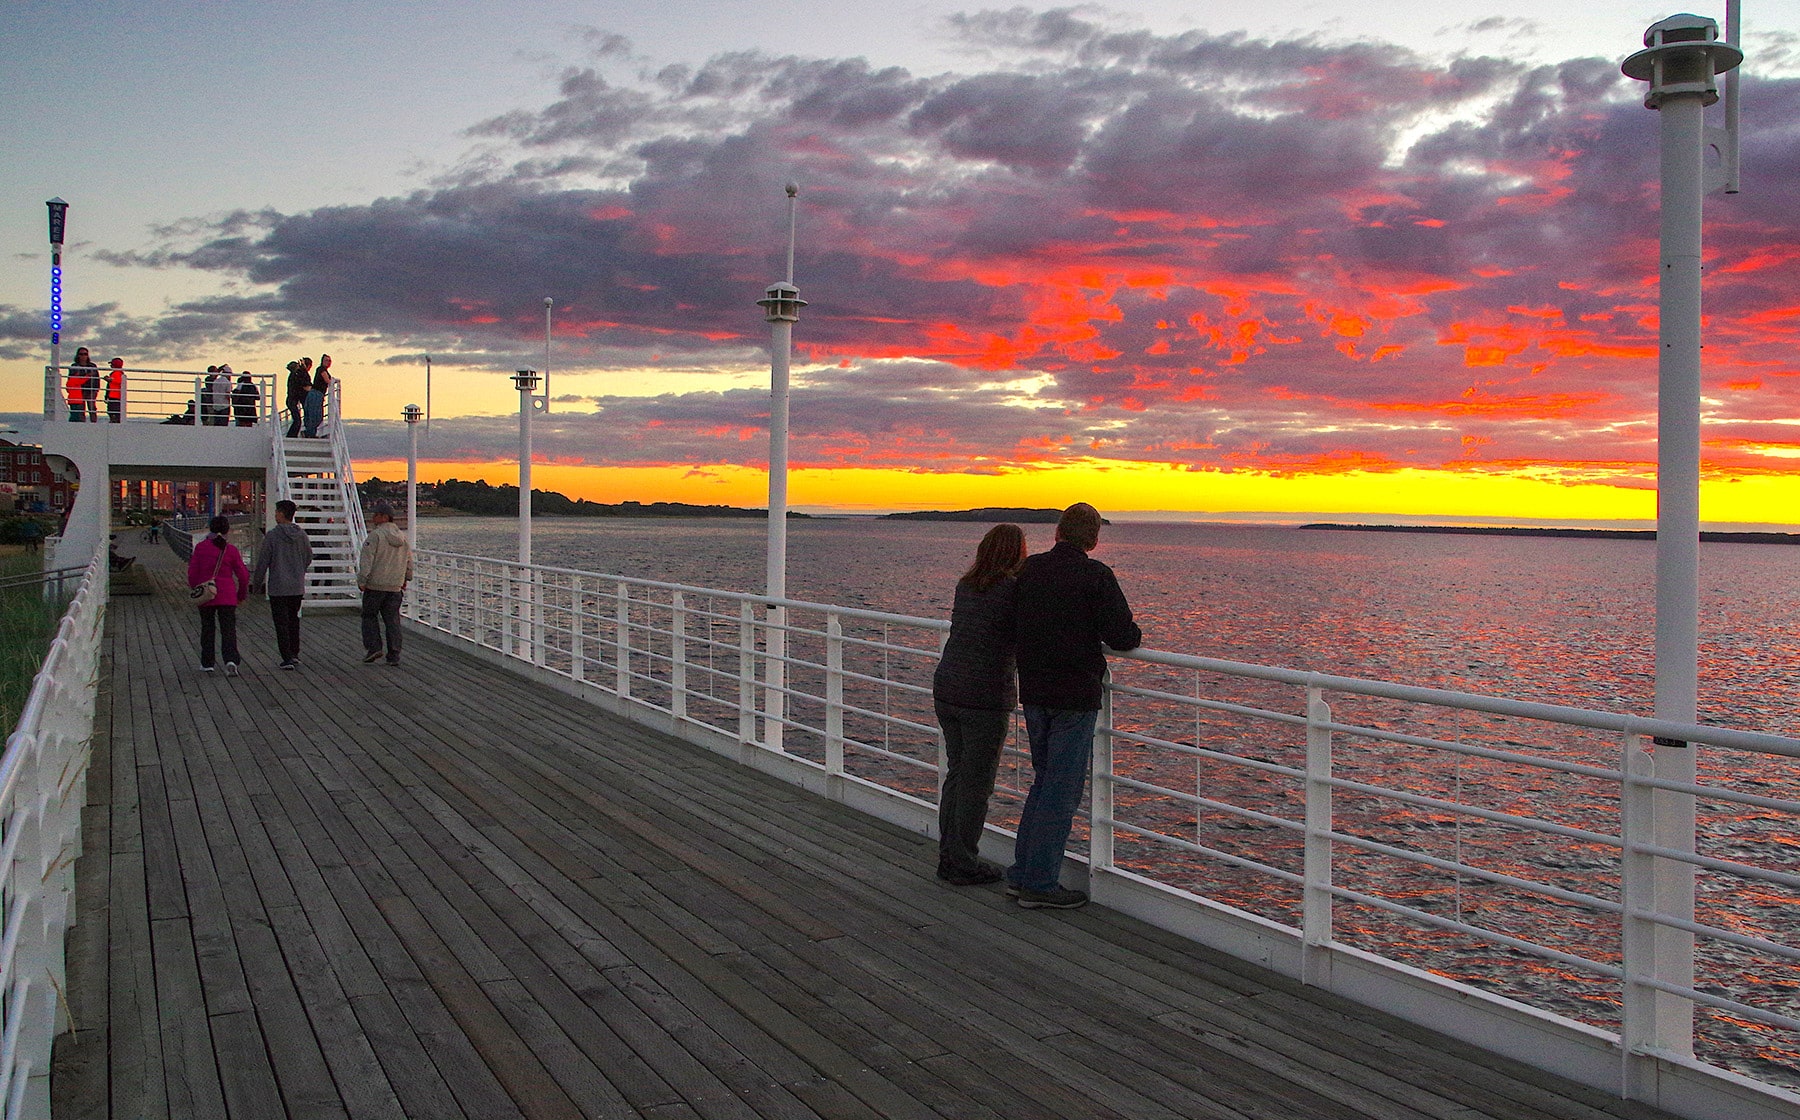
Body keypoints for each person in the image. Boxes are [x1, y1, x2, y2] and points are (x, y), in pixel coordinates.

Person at [1006, 502, 1141, 910]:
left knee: (1043, 781)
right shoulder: (1095, 576)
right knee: (1061, 790)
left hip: (1034, 690)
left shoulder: (1028, 570)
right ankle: (1040, 884)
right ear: (1094, 538)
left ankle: (1022, 874)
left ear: (1059, 532)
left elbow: (1012, 620)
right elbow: (1123, 636)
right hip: (1074, 695)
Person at [931, 523, 1027, 886]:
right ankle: (963, 862)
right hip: (983, 696)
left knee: (957, 776)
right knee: (976, 784)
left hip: (948, 688)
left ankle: (949, 856)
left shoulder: (966, 586)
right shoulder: (1012, 592)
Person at [251, 499, 314, 670]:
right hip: (296, 586)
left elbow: (263, 561)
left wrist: (256, 584)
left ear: (281, 513)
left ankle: (286, 657)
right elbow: (309, 557)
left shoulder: (272, 536)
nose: (274, 514)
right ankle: (294, 654)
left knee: (281, 623)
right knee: (294, 620)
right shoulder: (301, 535)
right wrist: (299, 570)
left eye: (276, 511)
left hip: (278, 587)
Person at [188, 515, 251, 676]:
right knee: (228, 629)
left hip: (207, 593)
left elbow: (193, 573)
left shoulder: (201, 548)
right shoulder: (231, 550)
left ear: (210, 528)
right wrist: (241, 595)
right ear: (227, 530)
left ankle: (207, 662)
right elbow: (243, 575)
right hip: (227, 595)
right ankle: (230, 660)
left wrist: (196, 588)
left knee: (207, 628)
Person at [357, 501, 412, 666]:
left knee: (369, 616)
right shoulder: (402, 537)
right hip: (395, 586)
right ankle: (394, 654)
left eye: (376, 514)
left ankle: (374, 647)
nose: (373, 517)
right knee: (392, 620)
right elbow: (409, 561)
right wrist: (406, 578)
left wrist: (362, 580)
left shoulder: (375, 536)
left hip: (376, 585)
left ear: (383, 517)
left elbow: (367, 560)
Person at [304, 355, 333, 437]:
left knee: (316, 415)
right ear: (322, 361)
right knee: (315, 415)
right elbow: (327, 380)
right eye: (326, 360)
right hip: (316, 394)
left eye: (329, 360)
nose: (328, 362)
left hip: (318, 394)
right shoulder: (321, 369)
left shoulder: (323, 370)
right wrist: (332, 381)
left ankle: (310, 432)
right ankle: (309, 433)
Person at [67, 347, 98, 422]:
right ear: (78, 355)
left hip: (91, 389)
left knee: (92, 407)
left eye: (85, 354)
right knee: (81, 408)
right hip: (80, 390)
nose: (83, 356)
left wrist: (96, 389)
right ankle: (82, 423)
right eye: (81, 354)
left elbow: (97, 378)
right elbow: (71, 379)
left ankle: (93, 423)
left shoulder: (92, 366)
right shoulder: (74, 366)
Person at [284, 361, 310, 437]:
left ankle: (291, 435)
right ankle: (291, 436)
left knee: (297, 420)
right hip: (292, 401)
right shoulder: (294, 376)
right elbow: (304, 384)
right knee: (297, 421)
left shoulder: (292, 376)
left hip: (291, 400)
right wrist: (304, 370)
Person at [105, 358, 126, 423]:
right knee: (112, 411)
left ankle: (114, 421)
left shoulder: (117, 373)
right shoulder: (119, 373)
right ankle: (114, 420)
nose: (110, 366)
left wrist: (110, 379)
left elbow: (118, 381)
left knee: (113, 411)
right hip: (114, 396)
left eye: (112, 364)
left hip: (115, 397)